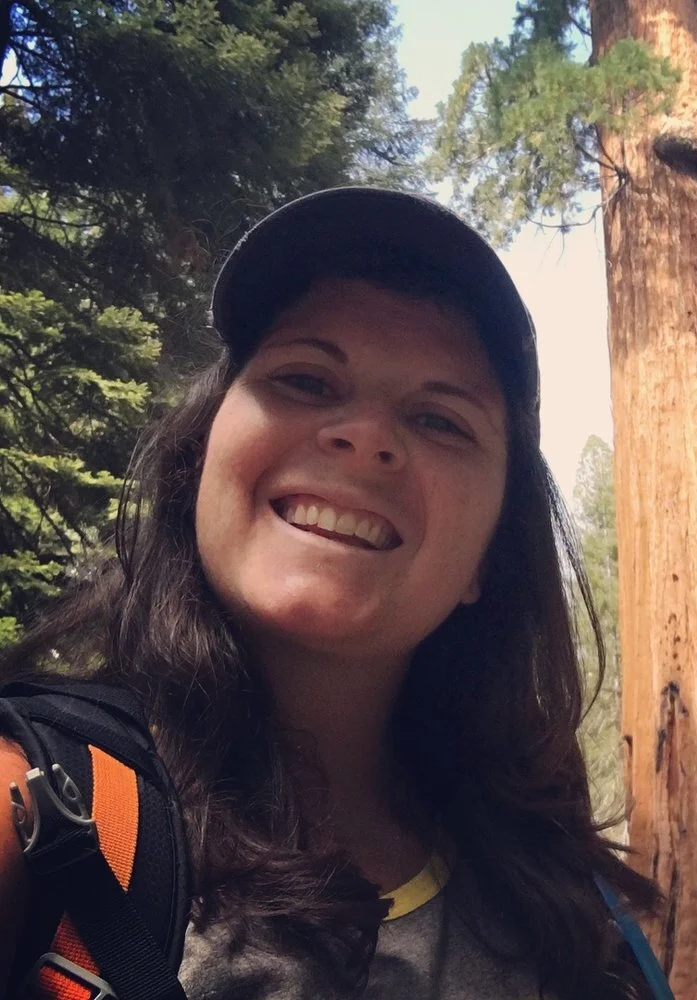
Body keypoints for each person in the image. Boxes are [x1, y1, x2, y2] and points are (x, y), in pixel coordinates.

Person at [0, 187, 662, 999]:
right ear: (198, 461)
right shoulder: (37, 806)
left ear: (490, 558)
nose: (366, 435)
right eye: (305, 379)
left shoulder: (571, 909)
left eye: (441, 420)